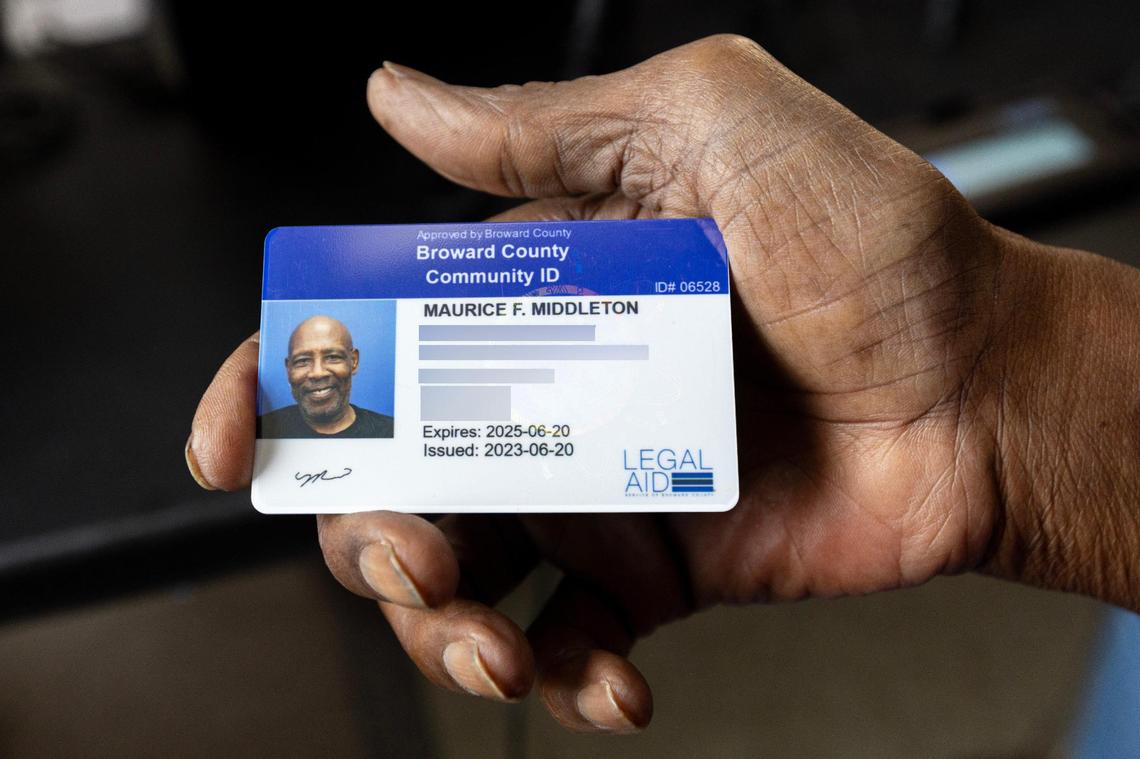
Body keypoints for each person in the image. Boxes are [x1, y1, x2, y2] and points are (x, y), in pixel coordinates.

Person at [184, 36, 1140, 734]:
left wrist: (990, 386)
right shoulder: (354, 444)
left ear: (353, 360)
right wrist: (1005, 387)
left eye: (326, 355)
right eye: (301, 359)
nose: (312, 372)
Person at [258, 315, 393, 439]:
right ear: (289, 369)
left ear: (354, 361)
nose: (318, 373)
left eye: (333, 357)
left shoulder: (390, 433)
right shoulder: (262, 431)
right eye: (303, 361)